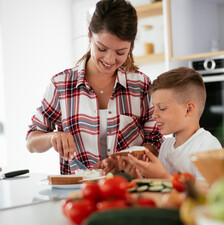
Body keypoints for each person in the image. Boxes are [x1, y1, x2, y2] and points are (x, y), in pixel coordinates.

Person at [26, 0, 163, 175]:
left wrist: (129, 160)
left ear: (131, 46)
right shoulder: (61, 85)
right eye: (101, 48)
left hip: (131, 189)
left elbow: (156, 140)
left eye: (120, 52)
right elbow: (31, 142)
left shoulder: (141, 85)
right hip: (79, 192)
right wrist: (53, 137)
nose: (110, 59)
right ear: (90, 35)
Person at [124, 67, 222, 180]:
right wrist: (136, 177)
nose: (154, 115)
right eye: (154, 108)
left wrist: (162, 176)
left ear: (188, 109)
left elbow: (207, 194)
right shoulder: (166, 146)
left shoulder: (206, 146)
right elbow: (162, 191)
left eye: (162, 108)